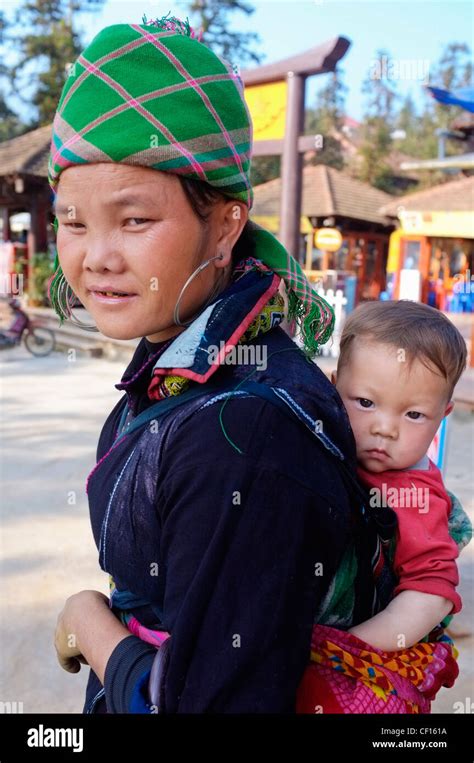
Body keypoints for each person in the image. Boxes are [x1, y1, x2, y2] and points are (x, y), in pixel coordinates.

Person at [50, 14, 385, 714]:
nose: (96, 255)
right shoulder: (184, 366)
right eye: (73, 219)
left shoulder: (243, 432)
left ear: (226, 224)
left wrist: (89, 616)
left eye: (134, 219)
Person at [297, 300, 472, 713]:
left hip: (352, 666)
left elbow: (432, 592)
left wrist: (352, 648)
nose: (384, 428)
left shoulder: (415, 493)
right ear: (333, 386)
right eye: (365, 402)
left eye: (413, 414)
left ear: (442, 416)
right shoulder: (323, 445)